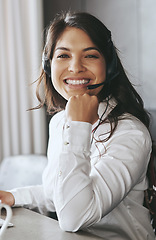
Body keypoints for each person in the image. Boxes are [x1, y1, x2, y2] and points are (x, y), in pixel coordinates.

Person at [0, 11, 155, 240]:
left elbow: (74, 216)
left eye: (90, 56)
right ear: (48, 65)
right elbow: (60, 193)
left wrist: (79, 126)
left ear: (109, 66)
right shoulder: (60, 122)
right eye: (63, 56)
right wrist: (12, 197)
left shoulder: (130, 133)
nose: (75, 67)